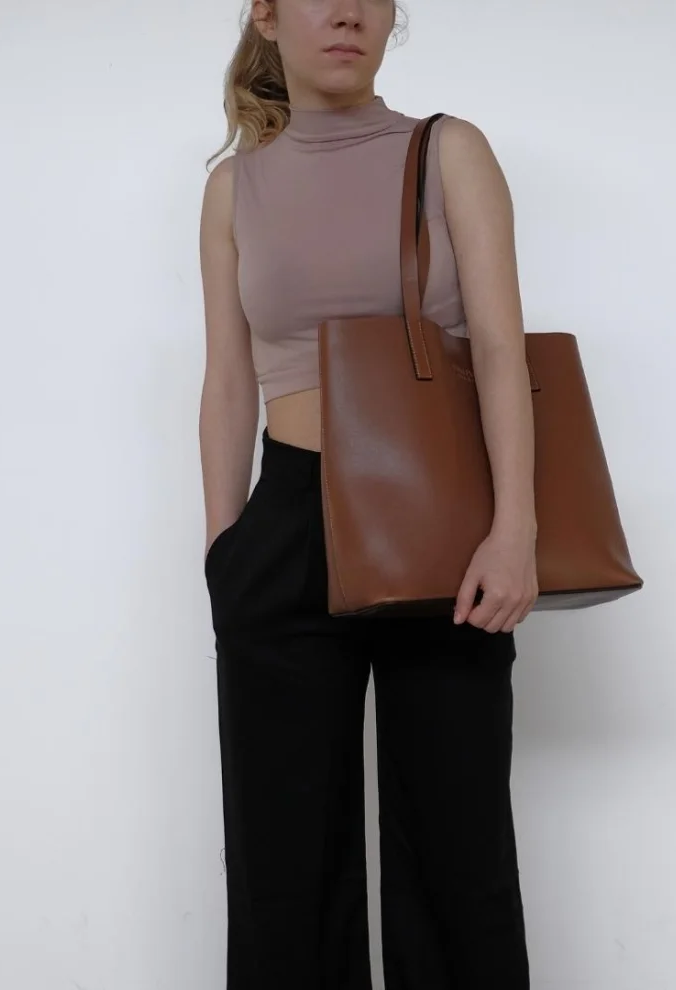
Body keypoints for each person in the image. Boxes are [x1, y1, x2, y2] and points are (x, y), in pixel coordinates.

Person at [199, 1, 539, 987]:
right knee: (282, 866)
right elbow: (228, 379)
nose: (347, 12)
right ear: (267, 16)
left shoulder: (448, 152)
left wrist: (514, 528)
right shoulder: (233, 187)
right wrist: (225, 548)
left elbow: (502, 349)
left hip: (439, 520)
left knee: (458, 851)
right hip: (285, 521)